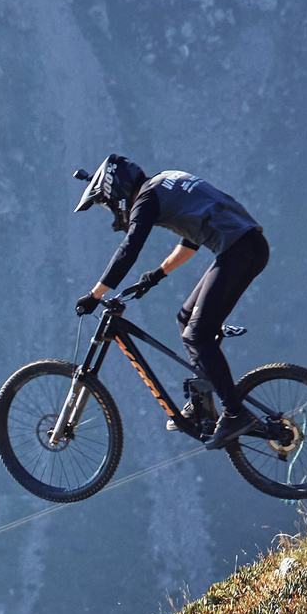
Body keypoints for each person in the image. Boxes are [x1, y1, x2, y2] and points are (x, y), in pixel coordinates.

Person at [72, 154, 271, 450]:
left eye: (106, 202)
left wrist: (95, 295)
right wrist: (158, 273)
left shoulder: (147, 197)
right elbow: (193, 238)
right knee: (186, 317)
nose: (112, 209)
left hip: (237, 251)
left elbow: (130, 248)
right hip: (249, 247)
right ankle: (203, 402)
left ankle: (234, 412)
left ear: (117, 189)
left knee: (196, 333)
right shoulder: (166, 181)